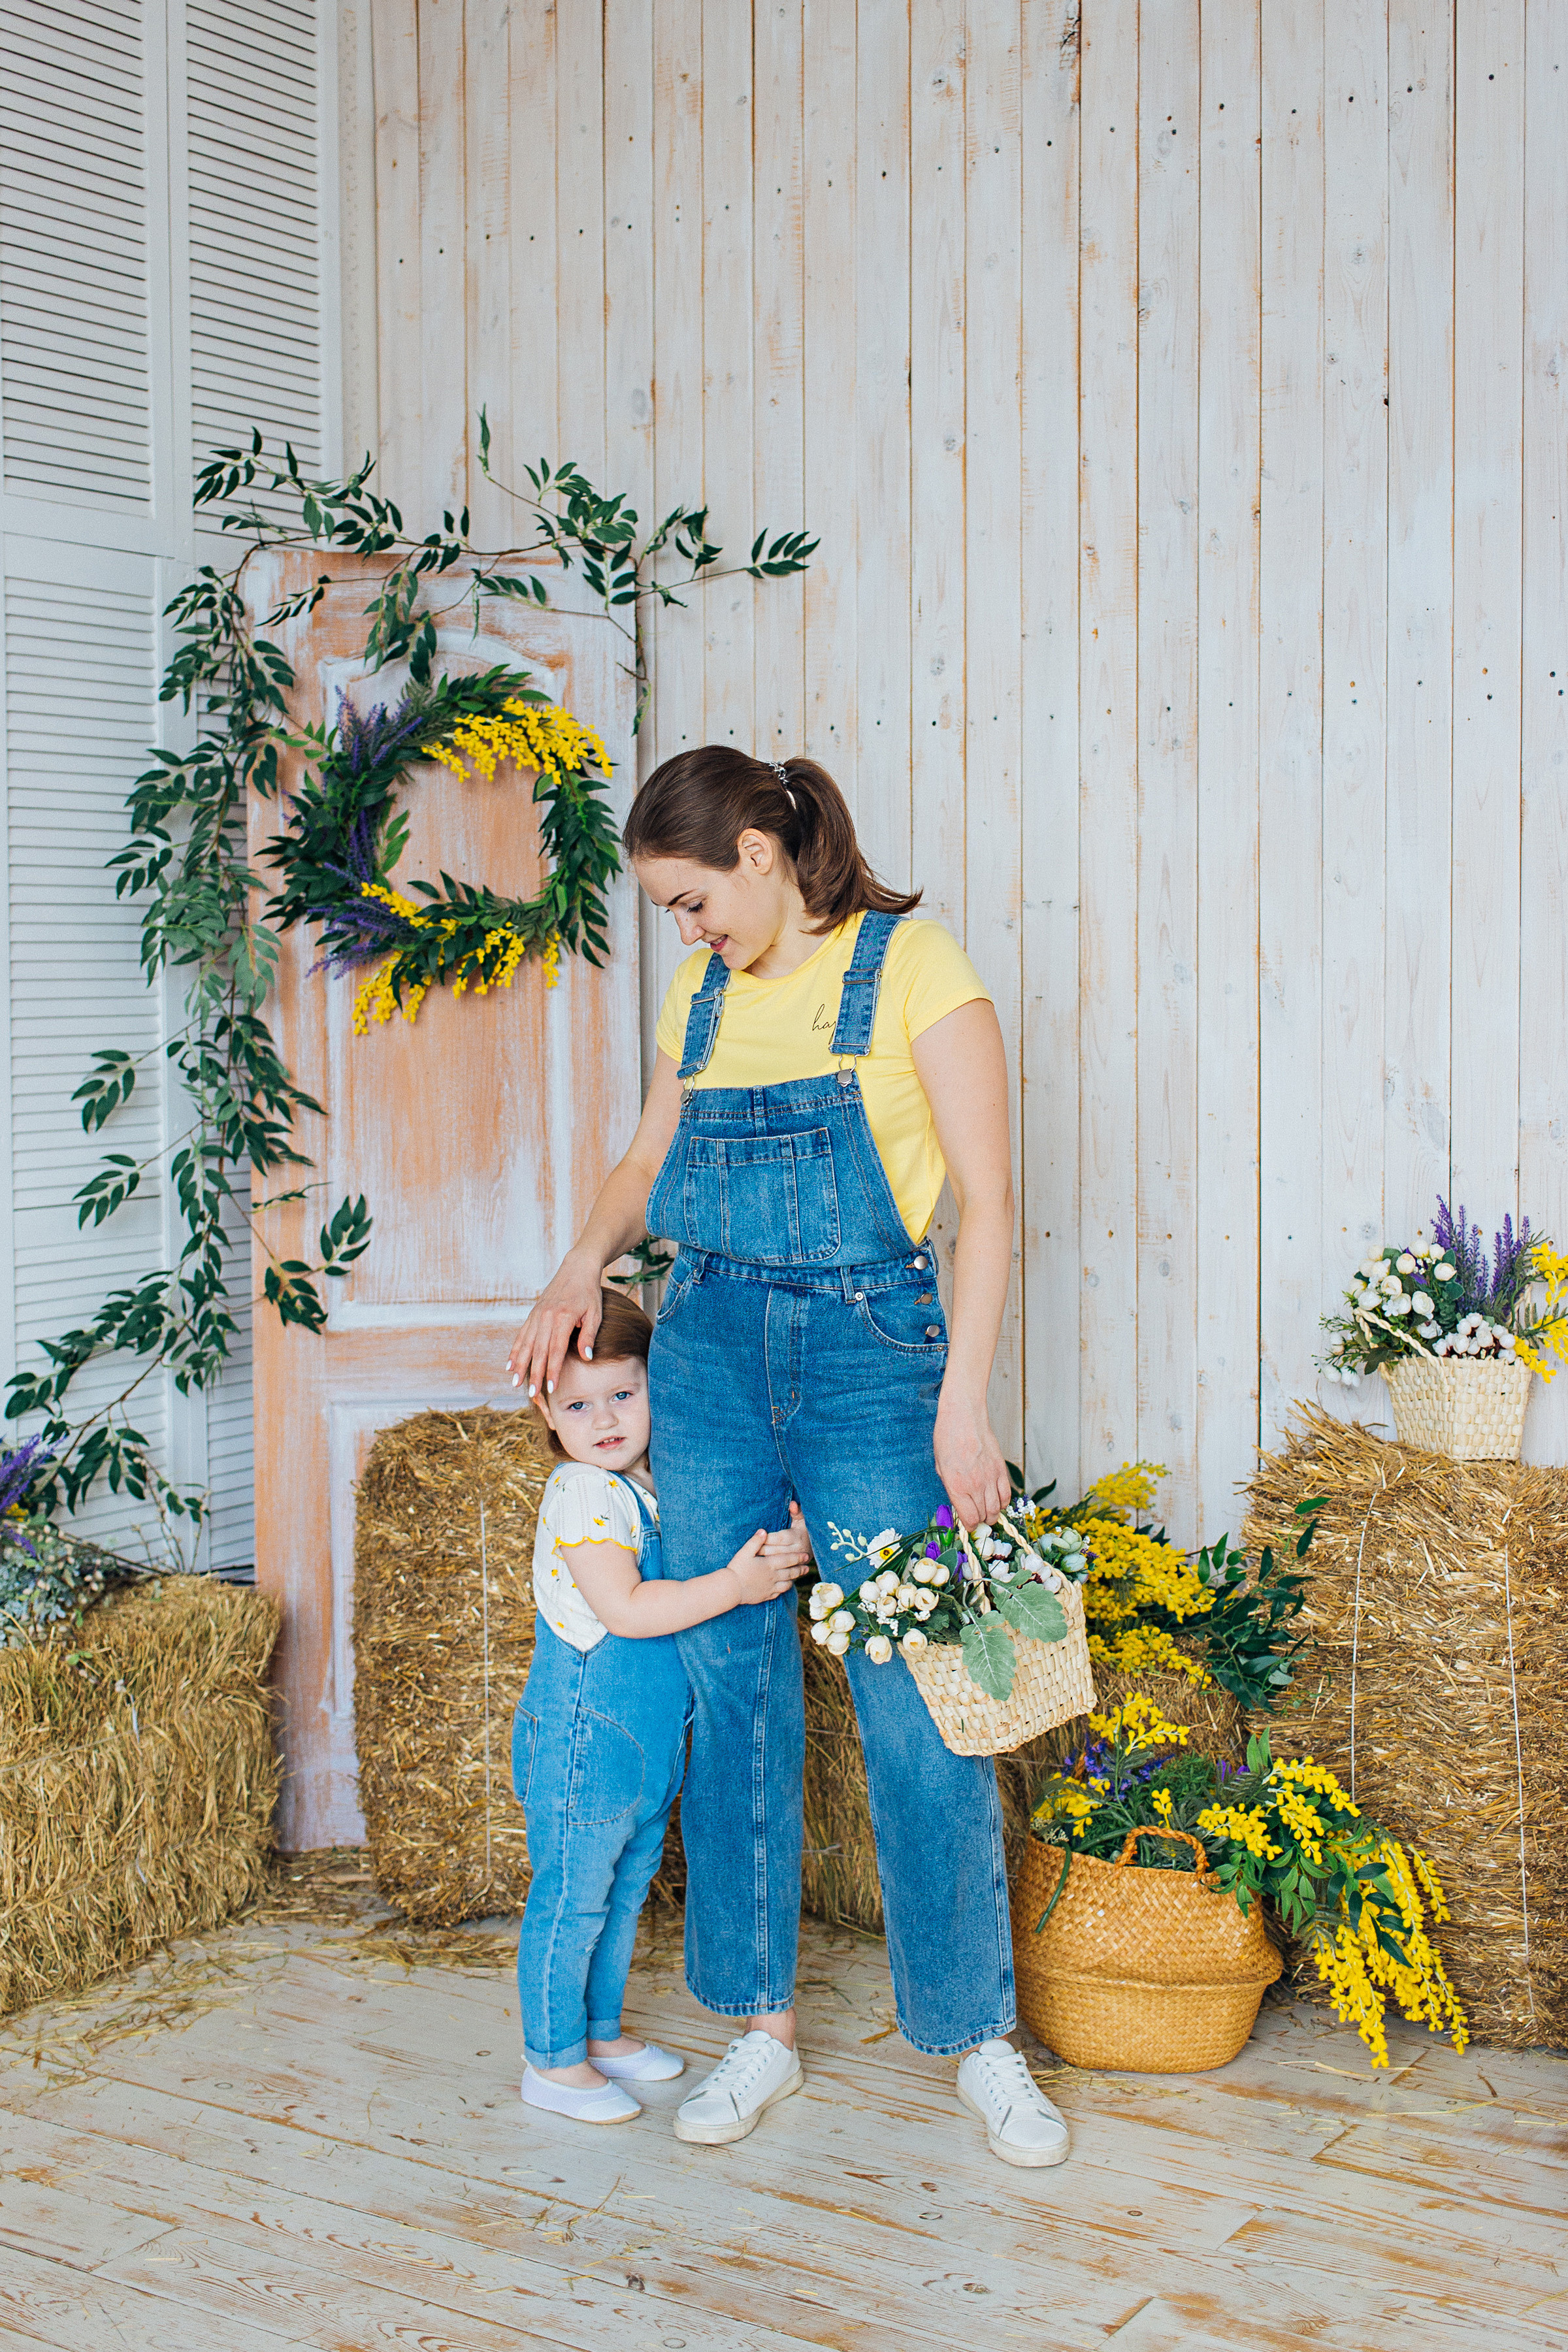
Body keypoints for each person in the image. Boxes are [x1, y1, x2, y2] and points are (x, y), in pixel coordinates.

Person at [510, 747, 1068, 2167]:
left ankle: (976, 2036)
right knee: (734, 1682)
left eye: (693, 901)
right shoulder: (700, 996)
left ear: (762, 849)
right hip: (703, 1350)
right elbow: (648, 1162)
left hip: (874, 1357)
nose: (685, 934)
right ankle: (758, 2029)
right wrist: (583, 1263)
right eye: (670, 913)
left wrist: (962, 1404)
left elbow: (991, 1210)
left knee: (921, 1693)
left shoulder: (916, 967)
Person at [513, 1285, 813, 2125]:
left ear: (657, 1385)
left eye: (624, 1393)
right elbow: (629, 1611)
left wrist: (781, 1542)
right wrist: (734, 1584)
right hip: (586, 1732)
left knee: (625, 1886)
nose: (605, 1418)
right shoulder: (581, 1492)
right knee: (573, 1893)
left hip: (646, 1742)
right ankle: (550, 2058)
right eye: (578, 1402)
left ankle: (599, 2034)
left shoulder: (644, 1484)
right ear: (547, 1406)